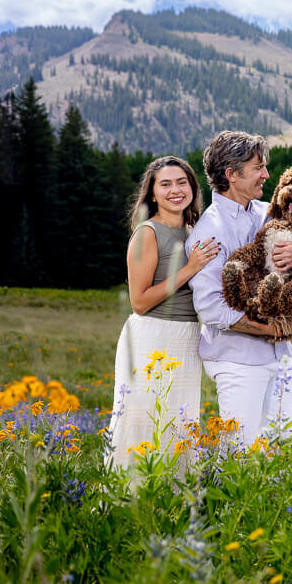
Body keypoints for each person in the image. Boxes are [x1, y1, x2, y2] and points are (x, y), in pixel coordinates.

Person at [187, 131, 292, 447]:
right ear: (231, 175)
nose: (267, 175)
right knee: (242, 456)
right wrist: (272, 329)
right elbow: (213, 310)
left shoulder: (268, 213)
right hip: (237, 361)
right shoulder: (210, 231)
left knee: (282, 452)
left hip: (280, 357)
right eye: (258, 167)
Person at [107, 156, 218, 468]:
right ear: (152, 193)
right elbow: (139, 301)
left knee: (179, 418)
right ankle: (131, 495)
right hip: (151, 335)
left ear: (193, 189)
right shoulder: (148, 232)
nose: (175, 190)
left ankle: (174, 501)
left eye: (182, 182)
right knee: (144, 417)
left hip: (187, 336)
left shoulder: (196, 231)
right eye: (165, 184)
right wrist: (189, 268)